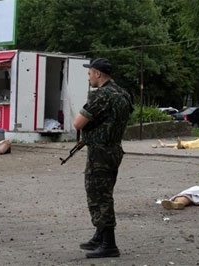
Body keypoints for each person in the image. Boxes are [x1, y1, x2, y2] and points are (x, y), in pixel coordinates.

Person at [73, 58, 133, 258]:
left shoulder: (102, 96)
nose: (88, 76)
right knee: (103, 193)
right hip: (114, 149)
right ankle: (99, 236)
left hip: (100, 153)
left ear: (98, 74)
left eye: (90, 73)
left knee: (99, 196)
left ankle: (108, 243)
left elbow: (78, 122)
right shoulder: (123, 94)